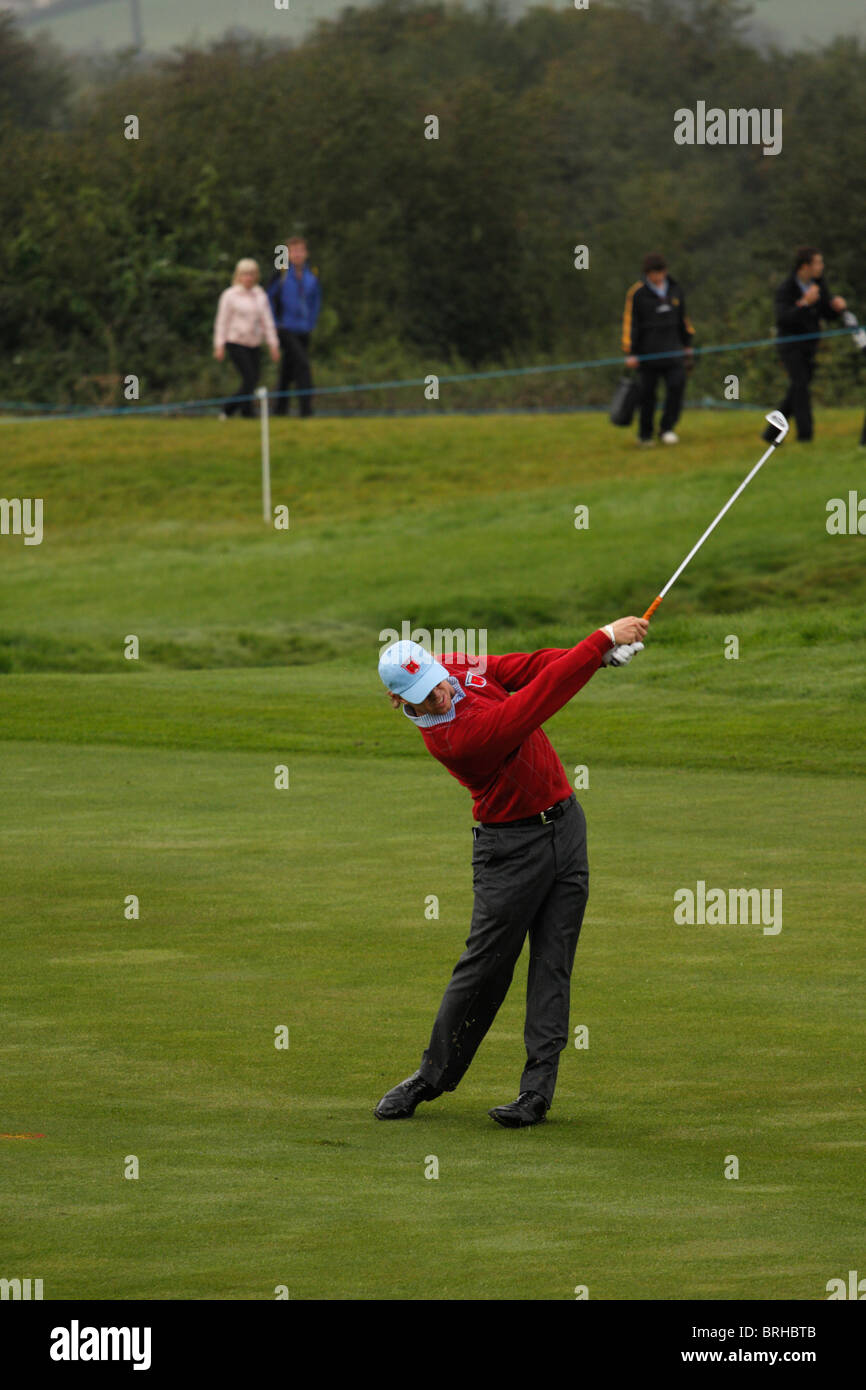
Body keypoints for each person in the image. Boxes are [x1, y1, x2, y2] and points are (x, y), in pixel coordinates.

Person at [374, 617, 649, 1128]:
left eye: (435, 680)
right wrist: (600, 641)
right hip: (509, 850)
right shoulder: (457, 740)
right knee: (484, 966)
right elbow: (535, 701)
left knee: (553, 961)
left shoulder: (451, 670)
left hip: (565, 827)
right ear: (398, 702)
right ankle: (431, 1077)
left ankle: (536, 1094)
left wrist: (594, 659)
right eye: (421, 694)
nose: (439, 694)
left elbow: (521, 668)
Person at [763, 247, 847, 443]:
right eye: (818, 263)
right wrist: (804, 303)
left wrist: (837, 308)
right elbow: (783, 319)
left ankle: (771, 432)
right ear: (804, 267)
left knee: (797, 389)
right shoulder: (787, 289)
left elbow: (827, 311)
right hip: (790, 345)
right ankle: (805, 435)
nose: (821, 267)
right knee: (800, 386)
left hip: (810, 345)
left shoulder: (819, 284)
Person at [622, 252, 694, 446]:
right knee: (647, 396)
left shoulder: (675, 289)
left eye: (661, 272)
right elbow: (631, 324)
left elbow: (683, 319)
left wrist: (687, 344)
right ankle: (645, 435)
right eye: (654, 273)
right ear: (647, 273)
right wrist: (631, 352)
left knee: (676, 388)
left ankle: (667, 428)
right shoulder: (637, 293)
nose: (658, 277)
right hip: (647, 356)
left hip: (674, 352)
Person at [213, 259, 280, 418]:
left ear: (255, 276)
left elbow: (267, 321)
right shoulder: (229, 295)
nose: (248, 278)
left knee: (254, 379)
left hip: (254, 343)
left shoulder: (260, 295)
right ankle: (227, 409)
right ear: (238, 276)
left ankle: (247, 412)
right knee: (249, 377)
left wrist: (273, 344)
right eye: (245, 274)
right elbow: (222, 321)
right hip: (235, 341)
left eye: (251, 274)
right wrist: (219, 345)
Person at [267, 237, 321, 418]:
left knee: (288, 370)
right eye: (293, 251)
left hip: (304, 329)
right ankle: (306, 410)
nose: (297, 255)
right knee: (303, 365)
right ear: (287, 254)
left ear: (306, 253)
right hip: (285, 328)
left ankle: (280, 409)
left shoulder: (311, 276)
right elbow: (269, 300)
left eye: (300, 251)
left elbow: (315, 302)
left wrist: (311, 323)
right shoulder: (280, 274)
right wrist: (274, 324)